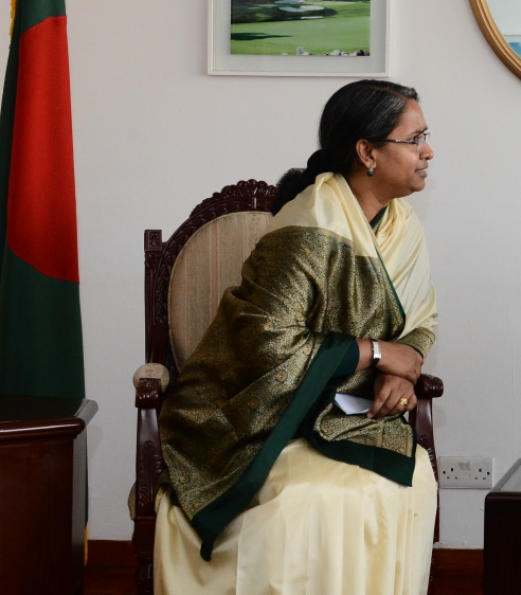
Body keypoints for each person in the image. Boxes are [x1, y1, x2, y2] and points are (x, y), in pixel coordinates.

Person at [154, 79, 440, 595]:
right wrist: (377, 353)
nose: (428, 151)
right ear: (367, 152)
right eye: (414, 138)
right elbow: (268, 344)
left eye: (427, 135)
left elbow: (419, 317)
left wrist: (405, 366)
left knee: (403, 480)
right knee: (310, 501)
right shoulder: (307, 227)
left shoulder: (402, 226)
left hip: (351, 410)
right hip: (258, 416)